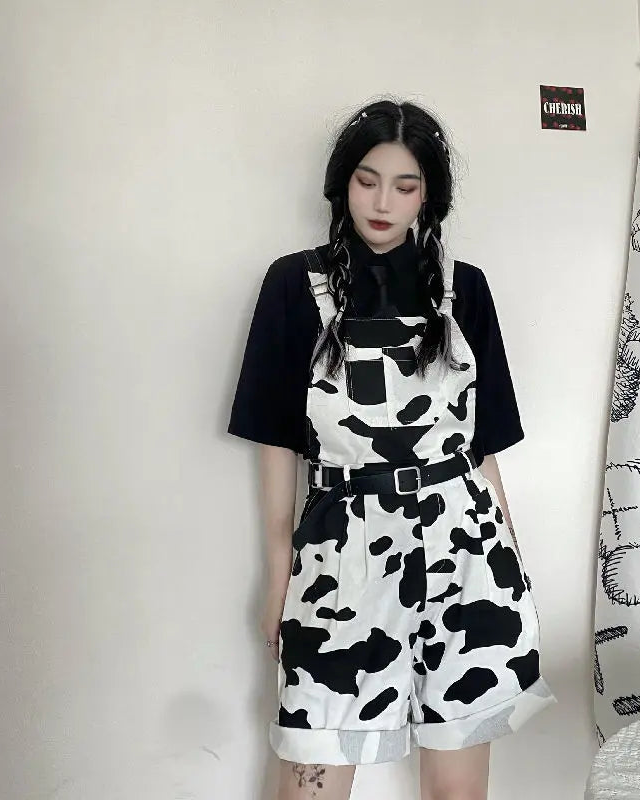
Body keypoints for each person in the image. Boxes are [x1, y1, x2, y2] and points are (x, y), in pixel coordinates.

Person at [228, 99, 555, 800]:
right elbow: (278, 440)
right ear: (342, 182)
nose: (383, 203)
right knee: (312, 772)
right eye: (367, 180)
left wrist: (514, 567)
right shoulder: (295, 285)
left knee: (457, 788)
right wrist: (279, 572)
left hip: (464, 549)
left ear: (428, 195)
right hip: (343, 550)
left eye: (405, 186)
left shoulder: (464, 289)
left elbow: (482, 447)